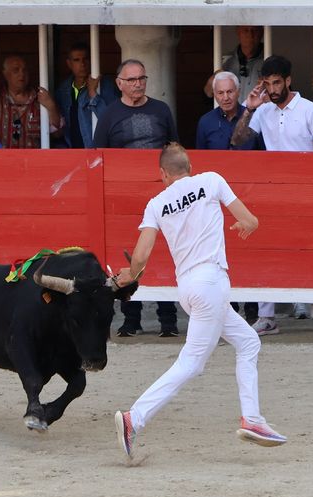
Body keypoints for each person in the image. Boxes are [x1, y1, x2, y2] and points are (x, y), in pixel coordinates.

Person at [113, 142, 287, 459]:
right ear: (189, 167)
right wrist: (245, 225)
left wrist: (130, 274)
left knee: (249, 342)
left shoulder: (157, 202)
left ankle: (254, 418)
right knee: (191, 363)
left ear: (163, 174)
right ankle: (133, 418)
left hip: (189, 289)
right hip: (212, 283)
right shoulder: (211, 180)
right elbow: (250, 220)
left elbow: (141, 255)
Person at [231, 55, 313, 335]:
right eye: (267, 84)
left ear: (288, 81)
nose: (272, 89)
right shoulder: (262, 111)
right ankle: (267, 316)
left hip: (305, 188)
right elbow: (237, 140)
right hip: (272, 189)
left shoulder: (310, 110)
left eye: (277, 83)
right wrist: (249, 109)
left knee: (304, 245)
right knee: (269, 248)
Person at [94, 58, 179, 337]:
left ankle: (168, 320)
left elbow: (173, 150)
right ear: (119, 84)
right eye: (131, 80)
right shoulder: (109, 115)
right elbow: (98, 156)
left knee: (167, 250)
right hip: (125, 195)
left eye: (142, 78)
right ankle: (132, 319)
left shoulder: (161, 110)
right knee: (130, 251)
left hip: (162, 191)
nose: (138, 84)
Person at [196, 70, 263, 324]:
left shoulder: (254, 115)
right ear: (214, 95)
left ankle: (254, 312)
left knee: (250, 249)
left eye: (230, 92)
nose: (225, 97)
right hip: (217, 198)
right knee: (221, 251)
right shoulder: (205, 122)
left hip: (247, 192)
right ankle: (230, 309)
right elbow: (201, 162)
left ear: (238, 92)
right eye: (220, 93)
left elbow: (263, 154)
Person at [0, 55, 62, 148]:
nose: (22, 74)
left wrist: (51, 107)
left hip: (32, 160)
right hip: (0, 160)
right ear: (5, 74)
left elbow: (58, 134)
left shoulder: (40, 98)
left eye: (25, 70)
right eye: (16, 70)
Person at [55, 42, 118, 148]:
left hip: (97, 151)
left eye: (86, 59)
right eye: (77, 60)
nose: (82, 64)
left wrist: (94, 95)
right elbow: (59, 129)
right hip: (72, 151)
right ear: (69, 64)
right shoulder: (63, 89)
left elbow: (111, 121)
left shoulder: (104, 86)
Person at [203, 26, 264, 105]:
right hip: (231, 116)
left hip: (259, 115)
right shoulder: (225, 62)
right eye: (246, 30)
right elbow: (208, 93)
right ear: (238, 32)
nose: (250, 34)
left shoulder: (269, 61)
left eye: (255, 31)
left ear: (262, 33)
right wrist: (215, 77)